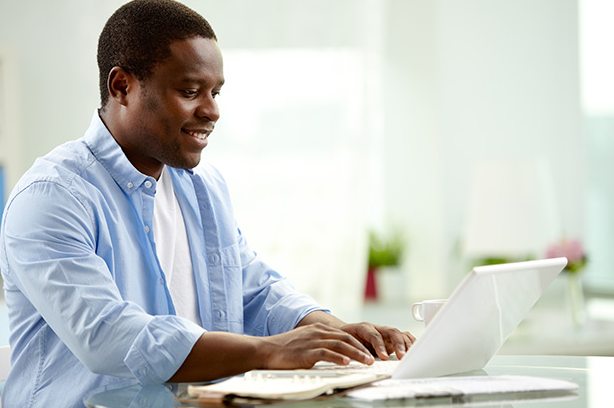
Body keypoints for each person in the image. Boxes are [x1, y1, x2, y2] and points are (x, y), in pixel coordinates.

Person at [0, 1, 415, 407]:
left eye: (215, 92)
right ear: (121, 86)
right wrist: (270, 351)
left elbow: (255, 291)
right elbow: (109, 337)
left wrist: (342, 335)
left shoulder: (203, 186)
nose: (212, 110)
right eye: (189, 91)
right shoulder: (51, 197)